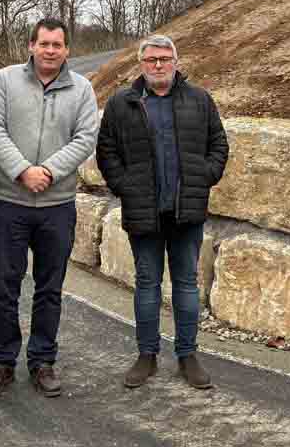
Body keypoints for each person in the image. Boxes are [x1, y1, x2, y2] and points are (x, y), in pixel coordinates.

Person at [96, 34, 228, 390]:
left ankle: (187, 355)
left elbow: (218, 144)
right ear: (141, 64)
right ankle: (147, 355)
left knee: (186, 285)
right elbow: (106, 151)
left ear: (175, 62)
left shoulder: (198, 100)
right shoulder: (122, 103)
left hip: (186, 212)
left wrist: (205, 176)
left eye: (165, 59)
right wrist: (125, 187)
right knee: (147, 285)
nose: (158, 65)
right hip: (145, 213)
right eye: (151, 59)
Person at [0, 18, 99, 399]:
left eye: (57, 45)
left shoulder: (81, 89)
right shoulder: (6, 81)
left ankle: (43, 360)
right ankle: (1, 362)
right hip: (10, 204)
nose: (50, 50)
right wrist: (21, 170)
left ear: (67, 50)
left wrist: (47, 170)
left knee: (49, 288)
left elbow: (85, 137)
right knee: (4, 287)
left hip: (56, 207)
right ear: (30, 45)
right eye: (44, 43)